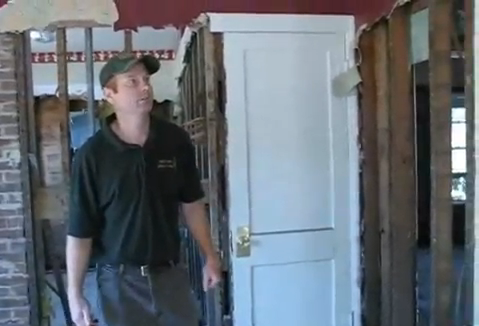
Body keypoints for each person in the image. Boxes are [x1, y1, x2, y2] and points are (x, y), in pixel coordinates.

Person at [66, 52, 221, 326]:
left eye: (146, 80)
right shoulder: (92, 156)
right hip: (119, 281)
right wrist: (75, 293)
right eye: (132, 82)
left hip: (170, 274)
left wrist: (210, 255)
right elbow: (80, 231)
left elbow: (192, 204)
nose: (145, 87)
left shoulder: (174, 140)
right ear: (109, 94)